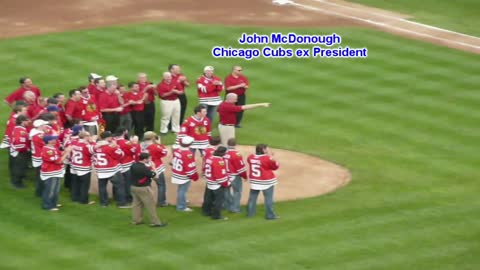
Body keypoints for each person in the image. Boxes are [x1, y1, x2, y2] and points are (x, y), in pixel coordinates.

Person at [130, 152, 168, 227]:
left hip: (134, 187)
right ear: (145, 159)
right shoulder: (145, 169)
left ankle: (136, 220)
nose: (150, 160)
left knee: (137, 204)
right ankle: (155, 222)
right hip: (144, 189)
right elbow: (156, 177)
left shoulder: (133, 165)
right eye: (149, 159)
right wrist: (153, 167)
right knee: (151, 205)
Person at [93, 131, 129, 208]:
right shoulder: (110, 147)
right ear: (107, 138)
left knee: (102, 187)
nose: (112, 138)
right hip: (112, 170)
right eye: (110, 137)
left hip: (100, 170)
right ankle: (121, 203)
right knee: (119, 186)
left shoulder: (95, 147)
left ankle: (104, 203)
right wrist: (116, 146)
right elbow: (121, 155)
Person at [246, 144, 280, 220]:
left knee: (252, 198)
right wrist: (271, 157)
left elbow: (254, 161)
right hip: (266, 182)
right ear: (263, 150)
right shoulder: (267, 158)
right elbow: (275, 166)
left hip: (254, 181)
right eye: (266, 149)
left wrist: (268, 157)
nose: (267, 150)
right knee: (268, 199)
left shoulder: (250, 157)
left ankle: (250, 213)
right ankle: (270, 215)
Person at [40, 135, 72, 211]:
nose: (55, 140)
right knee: (50, 190)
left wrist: (66, 150)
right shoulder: (47, 150)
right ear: (49, 141)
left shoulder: (53, 148)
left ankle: (54, 203)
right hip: (50, 173)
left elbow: (60, 154)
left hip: (56, 172)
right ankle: (47, 205)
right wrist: (67, 153)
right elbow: (59, 161)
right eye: (53, 139)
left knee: (56, 189)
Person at [171, 136, 199, 212]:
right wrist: (194, 176)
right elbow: (189, 167)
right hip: (183, 175)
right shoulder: (188, 154)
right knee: (182, 191)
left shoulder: (177, 150)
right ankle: (181, 207)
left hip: (176, 172)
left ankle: (181, 202)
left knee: (181, 190)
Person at [201, 146, 229, 220]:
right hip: (216, 184)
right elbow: (219, 175)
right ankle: (216, 215)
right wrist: (225, 183)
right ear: (222, 153)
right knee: (218, 200)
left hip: (209, 181)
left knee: (208, 198)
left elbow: (204, 169)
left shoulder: (209, 158)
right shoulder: (219, 162)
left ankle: (206, 211)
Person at [69, 131, 96, 205]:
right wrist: (93, 141)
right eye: (89, 135)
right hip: (84, 167)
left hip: (74, 166)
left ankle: (74, 198)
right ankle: (84, 200)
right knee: (84, 185)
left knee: (75, 183)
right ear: (85, 137)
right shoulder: (86, 146)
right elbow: (95, 150)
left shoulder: (74, 143)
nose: (90, 136)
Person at [143, 131, 168, 207]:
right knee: (161, 185)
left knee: (147, 186)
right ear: (153, 138)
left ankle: (147, 202)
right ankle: (161, 202)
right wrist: (159, 144)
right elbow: (165, 152)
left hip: (145, 168)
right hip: (156, 168)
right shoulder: (154, 146)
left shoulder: (141, 145)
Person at [223, 138, 247, 213]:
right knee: (237, 192)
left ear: (227, 143)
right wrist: (244, 176)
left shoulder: (222, 152)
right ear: (235, 144)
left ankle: (227, 206)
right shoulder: (236, 154)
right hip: (234, 176)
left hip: (224, 175)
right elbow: (240, 168)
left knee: (226, 191)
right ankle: (235, 208)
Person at [30, 119, 50, 196]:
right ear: (40, 126)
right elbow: (46, 145)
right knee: (41, 176)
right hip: (39, 157)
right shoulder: (39, 136)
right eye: (44, 125)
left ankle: (39, 191)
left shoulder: (34, 133)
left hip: (36, 156)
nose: (46, 126)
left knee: (39, 175)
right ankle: (40, 192)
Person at [10, 115, 31, 189]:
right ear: (22, 121)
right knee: (19, 168)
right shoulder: (20, 130)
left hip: (19, 151)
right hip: (20, 152)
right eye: (27, 120)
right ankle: (16, 183)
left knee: (19, 167)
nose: (29, 121)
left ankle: (16, 181)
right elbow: (18, 142)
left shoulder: (19, 128)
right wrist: (26, 149)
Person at [169, 64, 190, 128]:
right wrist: (179, 81)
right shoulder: (168, 76)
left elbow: (188, 85)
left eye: (179, 68)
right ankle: (170, 125)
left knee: (182, 110)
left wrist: (184, 81)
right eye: (177, 69)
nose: (179, 70)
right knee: (172, 111)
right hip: (172, 96)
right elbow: (169, 87)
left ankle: (179, 124)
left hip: (182, 95)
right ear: (171, 70)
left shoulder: (181, 75)